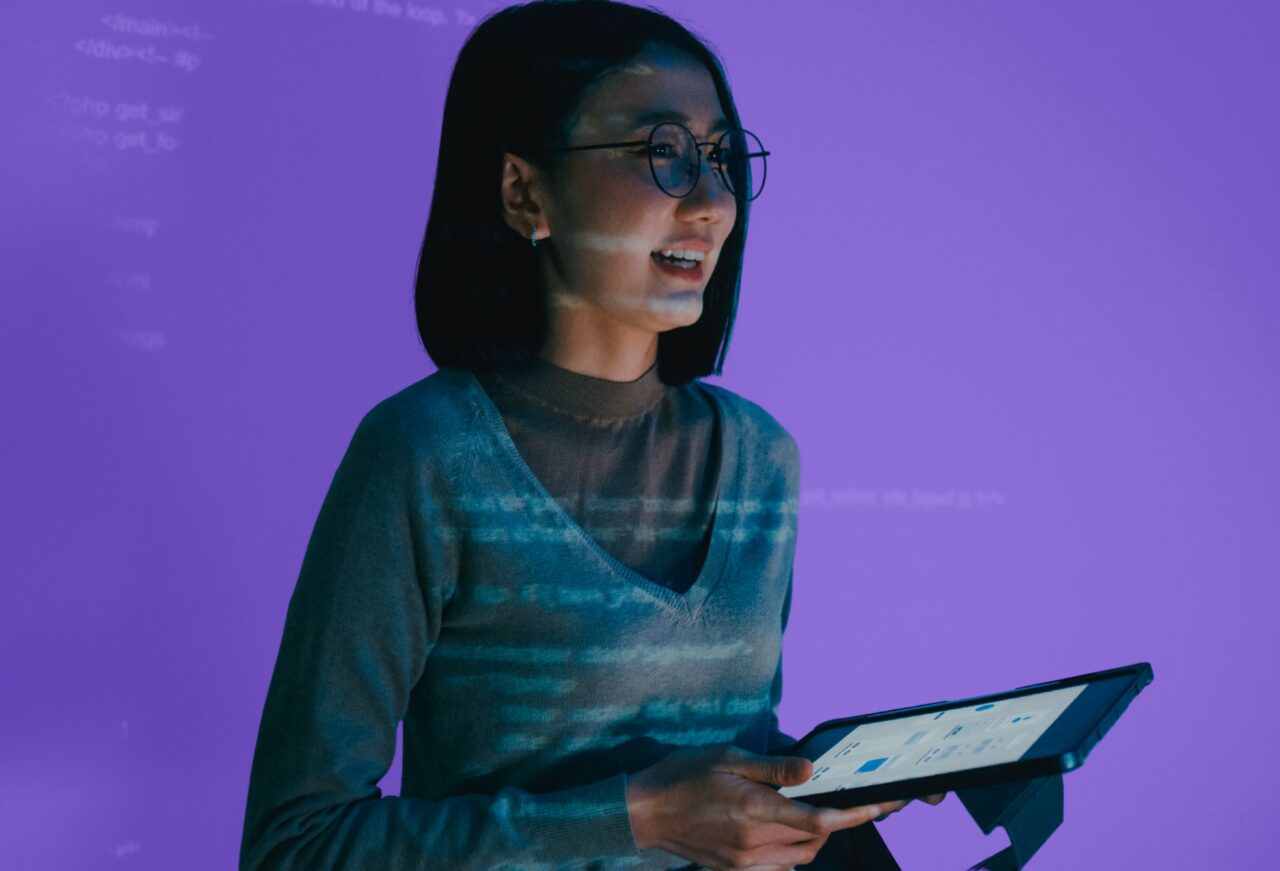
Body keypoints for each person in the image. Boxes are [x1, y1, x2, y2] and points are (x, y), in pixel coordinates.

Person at [239, 2, 941, 869]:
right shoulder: (425, 455)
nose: (712, 204)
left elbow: (720, 761)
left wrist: (817, 780)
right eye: (663, 154)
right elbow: (295, 845)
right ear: (524, 192)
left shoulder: (762, 457)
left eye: (721, 158)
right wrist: (641, 815)